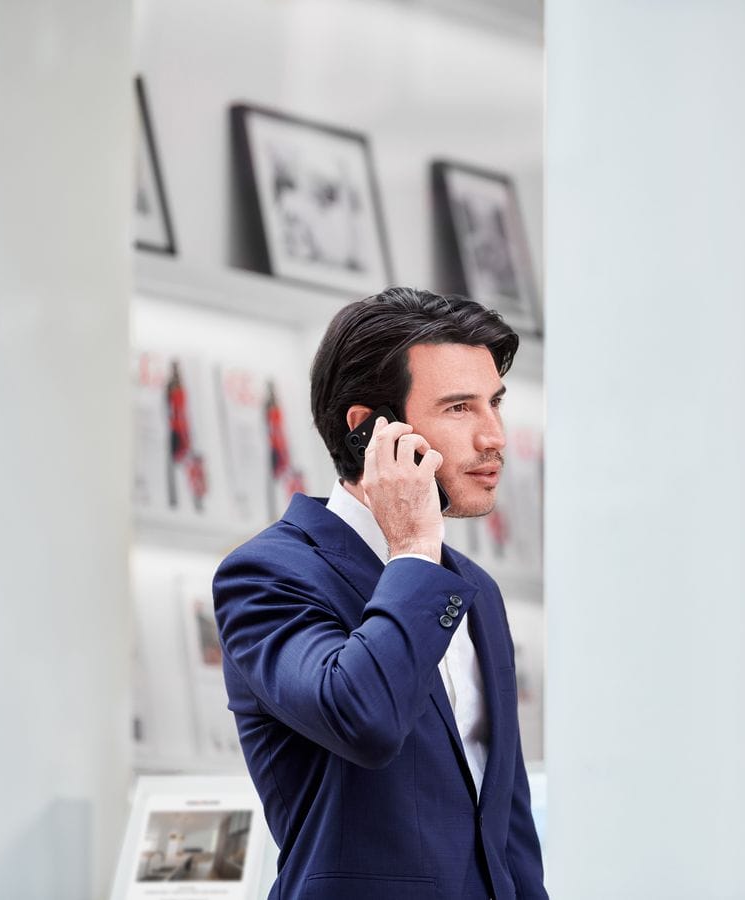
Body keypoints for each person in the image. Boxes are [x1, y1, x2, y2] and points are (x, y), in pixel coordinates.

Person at [213, 287, 547, 900]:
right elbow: (361, 716)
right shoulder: (265, 576)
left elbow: (508, 827)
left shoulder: (476, 590)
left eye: (494, 403)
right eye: (458, 409)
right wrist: (415, 548)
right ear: (370, 432)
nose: (495, 436)